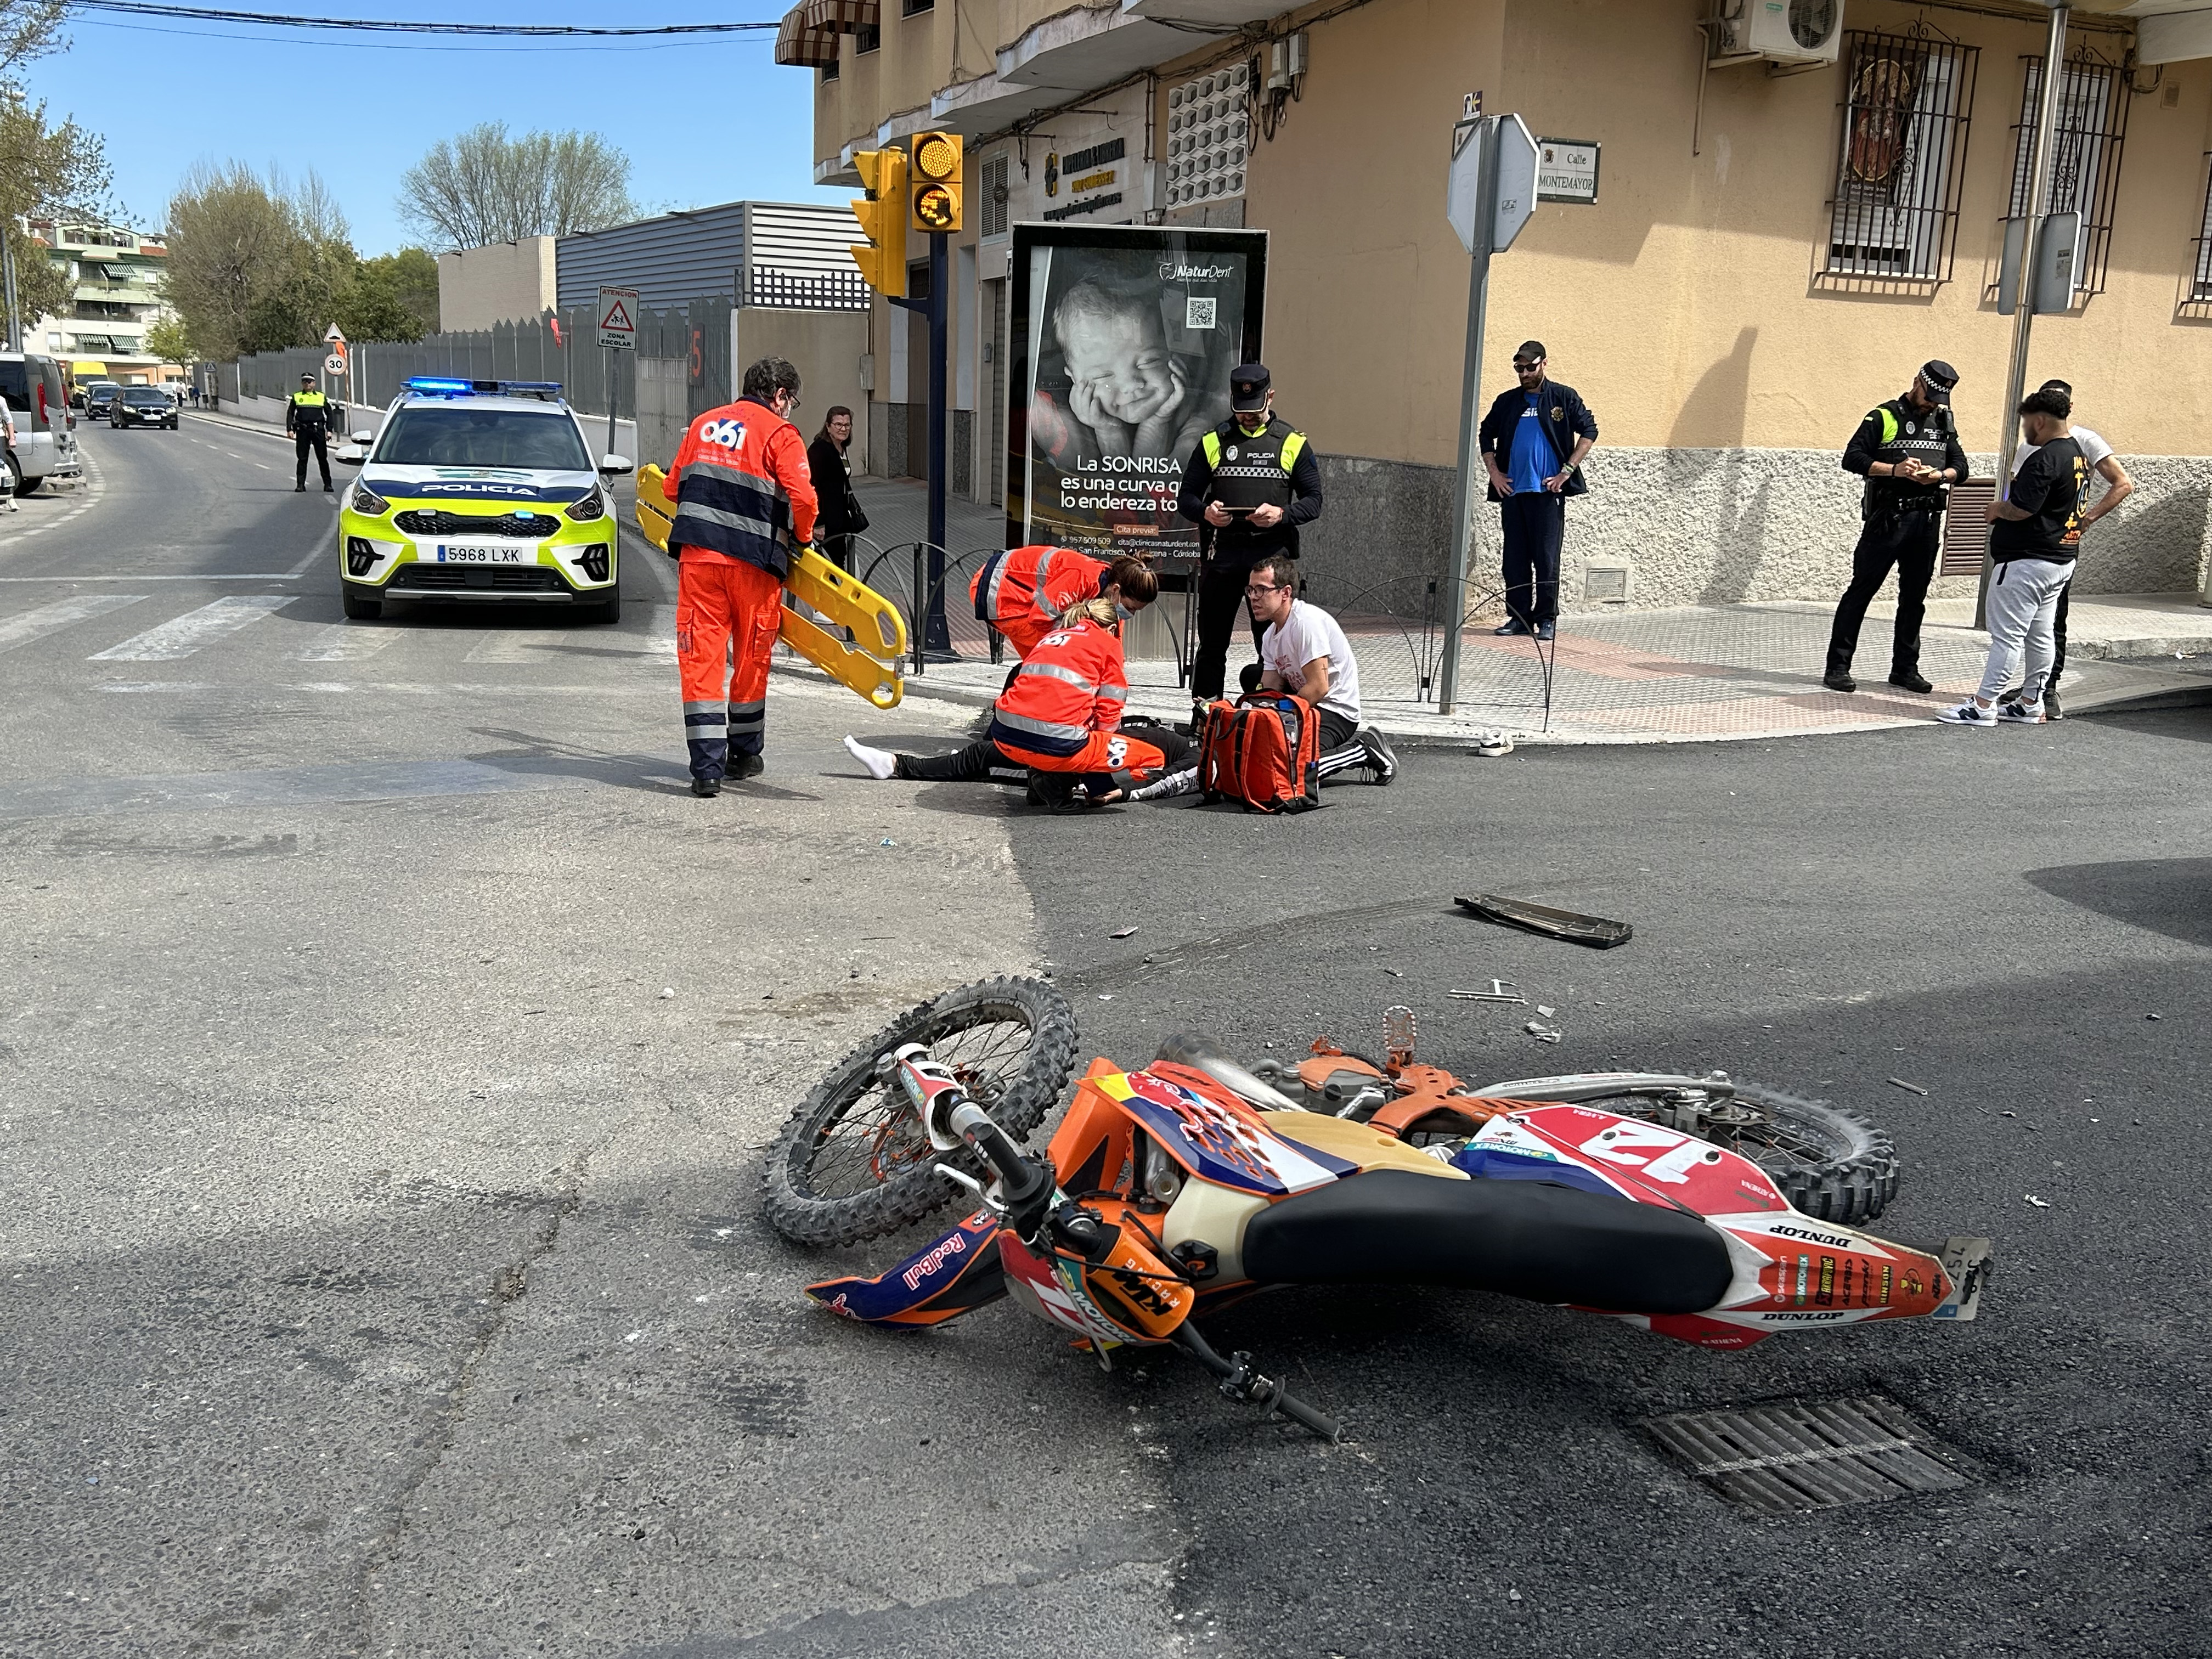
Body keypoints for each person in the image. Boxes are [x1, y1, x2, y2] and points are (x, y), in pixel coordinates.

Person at [847, 595, 1192, 808]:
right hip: (1058, 745)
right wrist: (1113, 780)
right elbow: (1110, 713)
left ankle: (896, 764)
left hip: (1009, 735)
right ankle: (1055, 785)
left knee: (979, 758)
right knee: (1150, 756)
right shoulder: (1107, 643)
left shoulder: (1054, 638)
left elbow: (1023, 691)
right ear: (1109, 626)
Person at [668, 356, 818, 796]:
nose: (791, 409)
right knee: (751, 659)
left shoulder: (702, 424)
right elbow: (804, 499)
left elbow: (672, 488)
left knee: (701, 662)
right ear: (780, 396)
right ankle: (745, 754)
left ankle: (706, 771)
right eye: (792, 401)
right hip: (753, 565)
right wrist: (804, 538)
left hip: (699, 562)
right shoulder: (779, 432)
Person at [1938, 388, 2086, 729]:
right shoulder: (2076, 453)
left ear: (2039, 420)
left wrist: (1996, 509)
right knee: (2041, 635)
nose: (2024, 430)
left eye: (2026, 422)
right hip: (2059, 558)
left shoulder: (2045, 458)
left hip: (2026, 562)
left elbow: (2023, 508)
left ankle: (1983, 705)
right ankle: (2031, 702)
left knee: (2008, 637)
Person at [1175, 363, 1324, 701]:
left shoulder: (1292, 442)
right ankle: (1205, 715)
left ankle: (1267, 712)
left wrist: (1282, 515)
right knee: (1212, 643)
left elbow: (1314, 502)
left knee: (1271, 643)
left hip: (1270, 558)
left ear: (1270, 397)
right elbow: (1186, 497)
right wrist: (1206, 513)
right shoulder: (1214, 440)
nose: (1248, 417)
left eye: (1255, 410)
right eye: (1241, 412)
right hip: (1223, 552)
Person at [1822, 359, 1967, 694]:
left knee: (1914, 599)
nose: (1932, 403)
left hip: (1927, 520)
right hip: (1889, 519)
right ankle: (1838, 667)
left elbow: (1962, 466)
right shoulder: (1884, 416)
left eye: (1938, 399)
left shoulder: (1944, 420)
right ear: (1917, 381)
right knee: (1862, 591)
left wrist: (1940, 476)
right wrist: (1895, 470)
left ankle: (1904, 669)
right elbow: (1852, 457)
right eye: (1928, 395)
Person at [1997, 379, 2132, 722]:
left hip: (2057, 550)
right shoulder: (2030, 443)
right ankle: (2030, 693)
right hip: (2027, 548)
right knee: (2028, 626)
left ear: (2068, 409)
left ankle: (2047, 689)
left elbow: (2123, 483)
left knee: (2050, 622)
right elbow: (2019, 492)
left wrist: (2087, 519)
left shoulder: (2084, 440)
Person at [1478, 342, 1598, 642]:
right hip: (1514, 493)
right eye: (1519, 368)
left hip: (1547, 494)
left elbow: (1589, 430)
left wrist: (1566, 472)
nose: (1525, 373)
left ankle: (1546, 618)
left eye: (1530, 367)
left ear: (1544, 364)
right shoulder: (1507, 401)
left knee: (1546, 558)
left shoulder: (1562, 397)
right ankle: (1519, 618)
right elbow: (1485, 434)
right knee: (1514, 559)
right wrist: (1494, 474)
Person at [970, 547, 1156, 662]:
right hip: (998, 589)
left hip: (1016, 592)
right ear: (1116, 589)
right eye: (1130, 608)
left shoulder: (1110, 586)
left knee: (1042, 666)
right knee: (1053, 660)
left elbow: (1114, 640)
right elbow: (1041, 617)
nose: (1130, 614)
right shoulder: (1082, 576)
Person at [806, 406, 865, 572]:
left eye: (847, 425)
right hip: (826, 522)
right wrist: (818, 524)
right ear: (828, 426)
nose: (843, 429)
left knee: (840, 564)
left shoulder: (841, 448)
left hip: (841, 520)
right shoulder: (820, 450)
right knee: (831, 568)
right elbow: (812, 486)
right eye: (838, 424)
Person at [286, 373, 343, 493]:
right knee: (302, 459)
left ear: (314, 383)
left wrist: (330, 430)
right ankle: (300, 485)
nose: (307, 384)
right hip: (303, 430)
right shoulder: (297, 396)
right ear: (302, 384)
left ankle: (328, 484)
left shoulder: (321, 397)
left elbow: (329, 413)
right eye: (305, 381)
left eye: (310, 381)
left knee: (322, 458)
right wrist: (289, 429)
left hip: (318, 430)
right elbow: (290, 413)